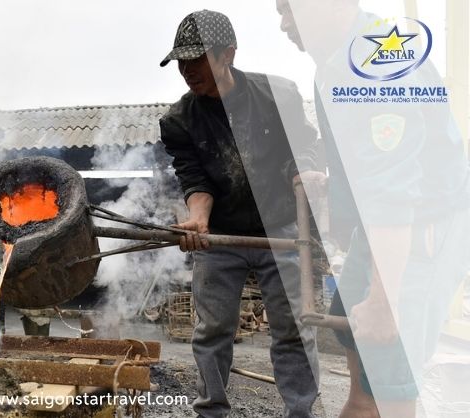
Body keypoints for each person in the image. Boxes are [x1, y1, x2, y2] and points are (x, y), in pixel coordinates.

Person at [275, 1, 470, 417]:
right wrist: (337, 182)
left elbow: (394, 187)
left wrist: (387, 299)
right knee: (361, 372)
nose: (283, 23)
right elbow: (373, 154)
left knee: (389, 391)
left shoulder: (375, 61)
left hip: (420, 225)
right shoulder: (333, 63)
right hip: (382, 224)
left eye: (291, 8)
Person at [158, 9, 323, 418]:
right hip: (221, 236)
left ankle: (301, 411)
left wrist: (304, 174)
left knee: (292, 329)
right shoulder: (178, 120)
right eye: (181, 60)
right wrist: (198, 219)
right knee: (212, 330)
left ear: (227, 53)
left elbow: (301, 149)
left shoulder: (278, 95)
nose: (186, 69)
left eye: (197, 58)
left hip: (283, 227)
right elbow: (195, 180)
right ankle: (212, 409)